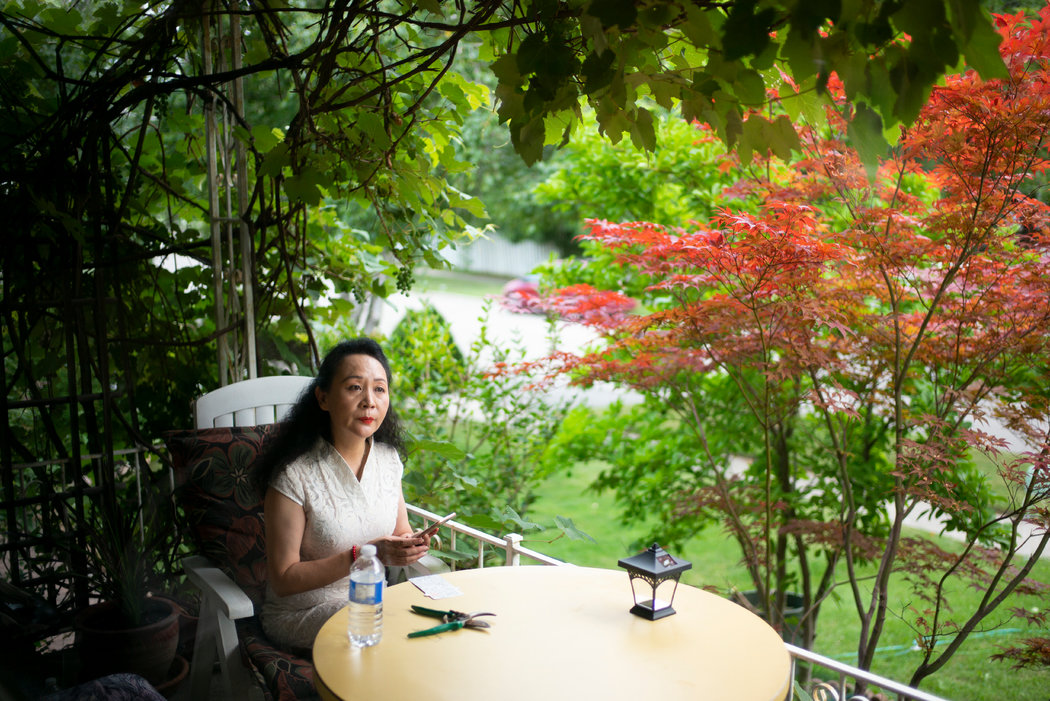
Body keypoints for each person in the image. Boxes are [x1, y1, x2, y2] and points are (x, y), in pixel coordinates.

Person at [253, 338, 430, 650]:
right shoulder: (294, 475)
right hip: (302, 612)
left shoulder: (388, 460)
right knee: (394, 637)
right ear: (323, 398)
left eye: (379, 388)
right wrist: (361, 555)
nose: (369, 401)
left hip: (373, 603)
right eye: (354, 388)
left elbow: (401, 532)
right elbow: (283, 578)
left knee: (433, 623)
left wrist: (409, 546)